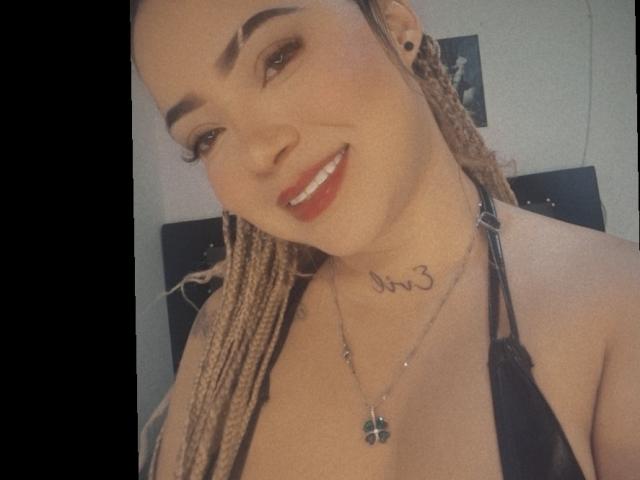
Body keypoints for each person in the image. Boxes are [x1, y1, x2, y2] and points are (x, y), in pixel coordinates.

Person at [132, 1, 640, 479]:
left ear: (396, 28)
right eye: (206, 136)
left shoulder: (615, 300)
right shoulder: (224, 339)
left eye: (277, 58)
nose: (259, 152)